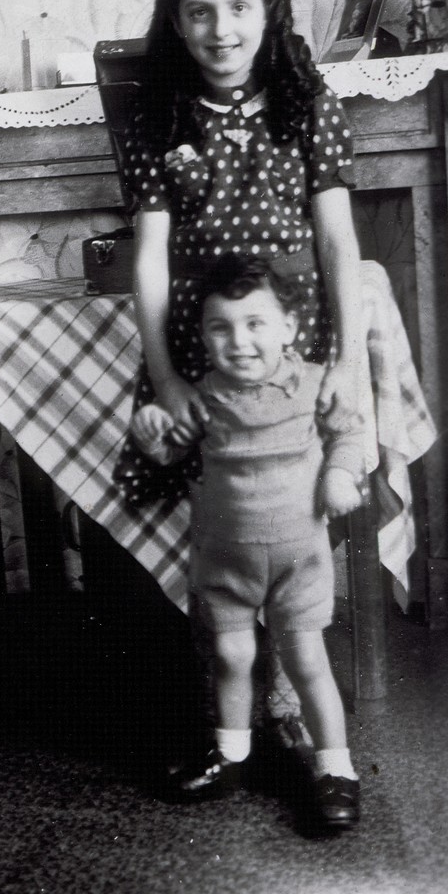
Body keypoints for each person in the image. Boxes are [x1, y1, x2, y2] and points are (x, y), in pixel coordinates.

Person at [113, 0, 363, 746]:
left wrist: (346, 364)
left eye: (238, 8)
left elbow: (336, 239)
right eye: (199, 12)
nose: (221, 29)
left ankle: (293, 697)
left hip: (293, 336)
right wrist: (170, 373)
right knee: (220, 505)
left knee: (293, 503)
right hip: (199, 338)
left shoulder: (306, 105)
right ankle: (230, 693)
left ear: (267, 13)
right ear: (176, 24)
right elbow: (149, 257)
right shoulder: (158, 119)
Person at [131, 253, 364, 828]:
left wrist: (339, 475)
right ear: (204, 338)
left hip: (297, 560)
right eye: (221, 327)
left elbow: (350, 434)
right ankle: (230, 756)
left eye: (255, 323)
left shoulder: (312, 382)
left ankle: (337, 769)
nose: (239, 341)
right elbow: (172, 451)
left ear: (289, 327)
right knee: (232, 656)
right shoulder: (205, 397)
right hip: (225, 561)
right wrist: (151, 435)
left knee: (306, 659)